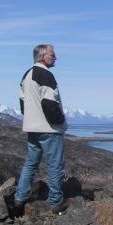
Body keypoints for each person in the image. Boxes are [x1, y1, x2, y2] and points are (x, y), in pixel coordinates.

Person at [15, 44, 70, 214]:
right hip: (49, 129)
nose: (55, 58)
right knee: (55, 166)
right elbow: (49, 103)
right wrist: (60, 121)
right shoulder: (46, 75)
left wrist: (32, 118)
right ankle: (56, 204)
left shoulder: (27, 75)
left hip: (32, 128)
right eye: (52, 55)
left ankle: (20, 198)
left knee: (31, 163)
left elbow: (23, 103)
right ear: (41, 57)